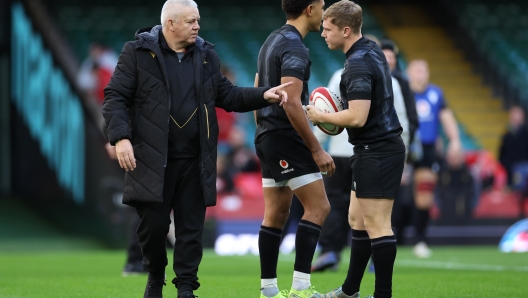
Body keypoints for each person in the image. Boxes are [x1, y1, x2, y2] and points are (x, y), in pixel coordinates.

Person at [102, 0, 292, 297]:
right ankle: (154, 277)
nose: (197, 26)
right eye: (191, 21)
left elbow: (227, 95)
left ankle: (187, 288)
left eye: (198, 20)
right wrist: (120, 137)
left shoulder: (206, 55)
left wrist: (263, 95)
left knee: (191, 229)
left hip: (195, 158)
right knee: (152, 227)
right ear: (171, 24)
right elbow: (114, 97)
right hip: (153, 159)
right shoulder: (136, 53)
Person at [307, 1, 406, 298]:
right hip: (369, 149)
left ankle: (382, 294)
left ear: (346, 30)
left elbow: (357, 117)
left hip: (378, 151)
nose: (323, 33)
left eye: (328, 28)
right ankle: (350, 291)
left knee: (378, 224)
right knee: (356, 219)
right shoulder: (371, 50)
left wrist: (320, 116)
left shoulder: (358, 63)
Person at [254, 0, 335, 297]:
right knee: (319, 207)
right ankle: (301, 288)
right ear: (310, 9)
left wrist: (263, 130)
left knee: (276, 213)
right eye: (322, 6)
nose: (324, 14)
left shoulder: (271, 40)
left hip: (267, 134)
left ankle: (269, 291)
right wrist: (316, 149)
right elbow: (290, 100)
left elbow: (258, 85)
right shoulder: (295, 47)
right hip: (286, 137)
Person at [407, 59, 462, 258]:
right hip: (402, 146)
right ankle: (384, 238)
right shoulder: (402, 91)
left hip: (427, 148)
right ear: (409, 72)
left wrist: (454, 140)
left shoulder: (436, 93)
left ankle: (420, 240)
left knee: (425, 193)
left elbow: (447, 118)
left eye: (424, 69)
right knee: (391, 193)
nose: (421, 73)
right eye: (417, 69)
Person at [310, 69, 353, 273]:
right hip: (369, 152)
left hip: (339, 151)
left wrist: (315, 146)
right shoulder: (388, 79)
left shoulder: (341, 74)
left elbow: (325, 111)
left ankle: (330, 251)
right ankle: (373, 255)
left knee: (334, 203)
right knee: (367, 206)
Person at [498, 105, 528, 186]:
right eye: (512, 114)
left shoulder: (526, 134)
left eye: (516, 114)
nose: (514, 116)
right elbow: (501, 154)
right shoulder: (506, 136)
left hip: (522, 174)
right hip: (508, 173)